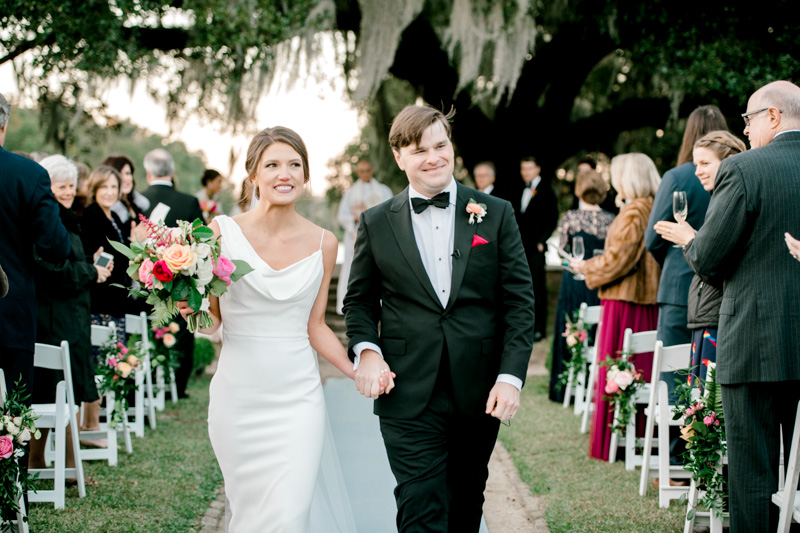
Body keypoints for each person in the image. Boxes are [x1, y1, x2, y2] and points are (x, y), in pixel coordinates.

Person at [344, 105, 535, 532]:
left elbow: (520, 302)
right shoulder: (376, 222)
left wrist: (510, 377)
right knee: (420, 510)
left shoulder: (496, 212)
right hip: (406, 390)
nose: (433, 157)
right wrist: (368, 351)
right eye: (419, 150)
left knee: (465, 505)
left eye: (440, 145)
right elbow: (358, 301)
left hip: (479, 389)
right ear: (399, 157)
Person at [178, 126, 357, 532]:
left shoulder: (325, 242)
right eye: (272, 164)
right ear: (253, 176)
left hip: (298, 401)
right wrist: (191, 309)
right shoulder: (221, 233)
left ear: (306, 176)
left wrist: (354, 369)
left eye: (295, 165)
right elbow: (213, 322)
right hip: (238, 399)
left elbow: (315, 326)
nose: (285, 174)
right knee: (248, 515)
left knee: (289, 516)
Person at [685, 80, 800, 531]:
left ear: (773, 116)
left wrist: (693, 244)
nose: (746, 131)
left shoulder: (744, 169)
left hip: (754, 340)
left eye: (749, 119)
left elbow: (708, 258)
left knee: (752, 473)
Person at [571, 153, 661, 461]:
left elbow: (617, 260)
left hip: (626, 302)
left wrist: (586, 268)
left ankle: (615, 442)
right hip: (644, 300)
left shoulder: (635, 212)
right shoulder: (652, 207)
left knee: (617, 368)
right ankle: (636, 436)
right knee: (639, 371)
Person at [28, 155, 109, 482]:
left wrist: (92, 265)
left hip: (73, 315)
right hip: (54, 317)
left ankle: (61, 463)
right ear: (48, 185)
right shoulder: (44, 219)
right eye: (60, 185)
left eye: (71, 185)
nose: (66, 191)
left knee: (68, 391)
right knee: (54, 391)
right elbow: (52, 272)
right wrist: (91, 270)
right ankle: (51, 463)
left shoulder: (66, 217)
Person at [653, 131, 746, 384]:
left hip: (716, 316)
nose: (697, 171)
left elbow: (711, 263)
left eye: (705, 163)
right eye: (696, 164)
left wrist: (689, 240)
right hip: (705, 313)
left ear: (729, 161)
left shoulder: (729, 198)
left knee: (708, 403)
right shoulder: (718, 196)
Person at [0, 92, 70, 401]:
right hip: (9, 313)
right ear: (4, 126)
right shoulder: (29, 175)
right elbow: (55, 247)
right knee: (13, 418)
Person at [645, 105, 727, 349]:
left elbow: (653, 238)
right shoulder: (737, 175)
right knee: (711, 374)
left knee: (675, 373)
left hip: (679, 286)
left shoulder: (676, 177)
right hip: (722, 287)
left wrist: (677, 259)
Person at [141, 148, 204, 399]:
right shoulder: (188, 202)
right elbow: (201, 243)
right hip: (181, 279)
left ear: (147, 172)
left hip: (145, 279)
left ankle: (147, 380)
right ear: (173, 171)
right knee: (182, 329)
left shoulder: (138, 200)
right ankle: (177, 386)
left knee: (148, 326)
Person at [548, 170, 615, 403]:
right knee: (597, 329)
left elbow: (562, 252)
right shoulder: (611, 219)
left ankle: (565, 385)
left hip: (574, 282)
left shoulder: (570, 217)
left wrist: (573, 264)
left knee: (570, 326)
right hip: (599, 282)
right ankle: (594, 385)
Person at [79, 165, 134, 443]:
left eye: (114, 187)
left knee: (107, 363)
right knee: (99, 363)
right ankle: (88, 425)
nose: (110, 192)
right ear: (95, 189)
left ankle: (92, 423)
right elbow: (92, 255)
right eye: (105, 188)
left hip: (114, 301)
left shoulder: (112, 217)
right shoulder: (91, 217)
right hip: (100, 302)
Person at [335, 159, 392, 315]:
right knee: (352, 267)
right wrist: (357, 218)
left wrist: (367, 213)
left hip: (378, 235)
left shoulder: (384, 190)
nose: (365, 173)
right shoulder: (350, 192)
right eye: (361, 170)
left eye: (367, 170)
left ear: (372, 170)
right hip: (355, 235)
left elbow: (391, 212)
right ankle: (349, 303)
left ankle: (380, 303)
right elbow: (342, 215)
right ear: (357, 172)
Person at [516, 155, 559, 342]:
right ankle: (526, 326)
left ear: (538, 169)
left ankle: (539, 328)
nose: (526, 172)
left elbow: (552, 218)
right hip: (521, 246)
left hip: (536, 248)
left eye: (529, 168)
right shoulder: (520, 189)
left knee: (537, 288)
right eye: (523, 169)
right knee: (522, 287)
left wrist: (543, 241)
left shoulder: (546, 191)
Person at [104, 155, 150, 225]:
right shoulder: (110, 210)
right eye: (119, 174)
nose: (125, 179)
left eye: (128, 173)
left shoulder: (136, 203)